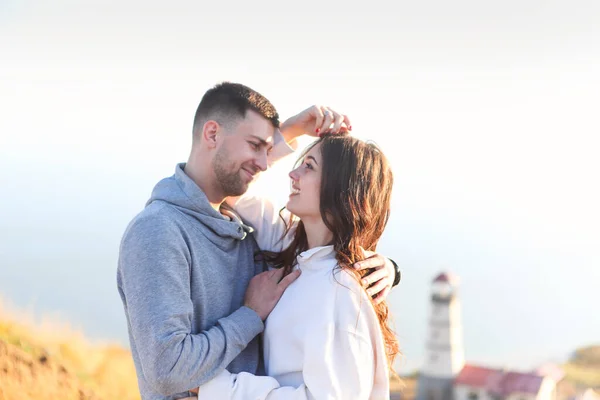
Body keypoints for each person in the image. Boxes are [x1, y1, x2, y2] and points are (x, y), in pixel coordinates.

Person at [117, 82, 401, 400]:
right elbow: (168, 370)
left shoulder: (270, 244)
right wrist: (251, 314)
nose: (267, 165)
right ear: (212, 134)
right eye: (256, 146)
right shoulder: (162, 231)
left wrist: (386, 267)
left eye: (307, 167)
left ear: (342, 192)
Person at [192, 134, 399, 399]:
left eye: (309, 166)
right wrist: (294, 128)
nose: (293, 173)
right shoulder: (296, 253)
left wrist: (220, 389)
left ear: (343, 189)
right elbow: (235, 191)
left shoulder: (341, 290)